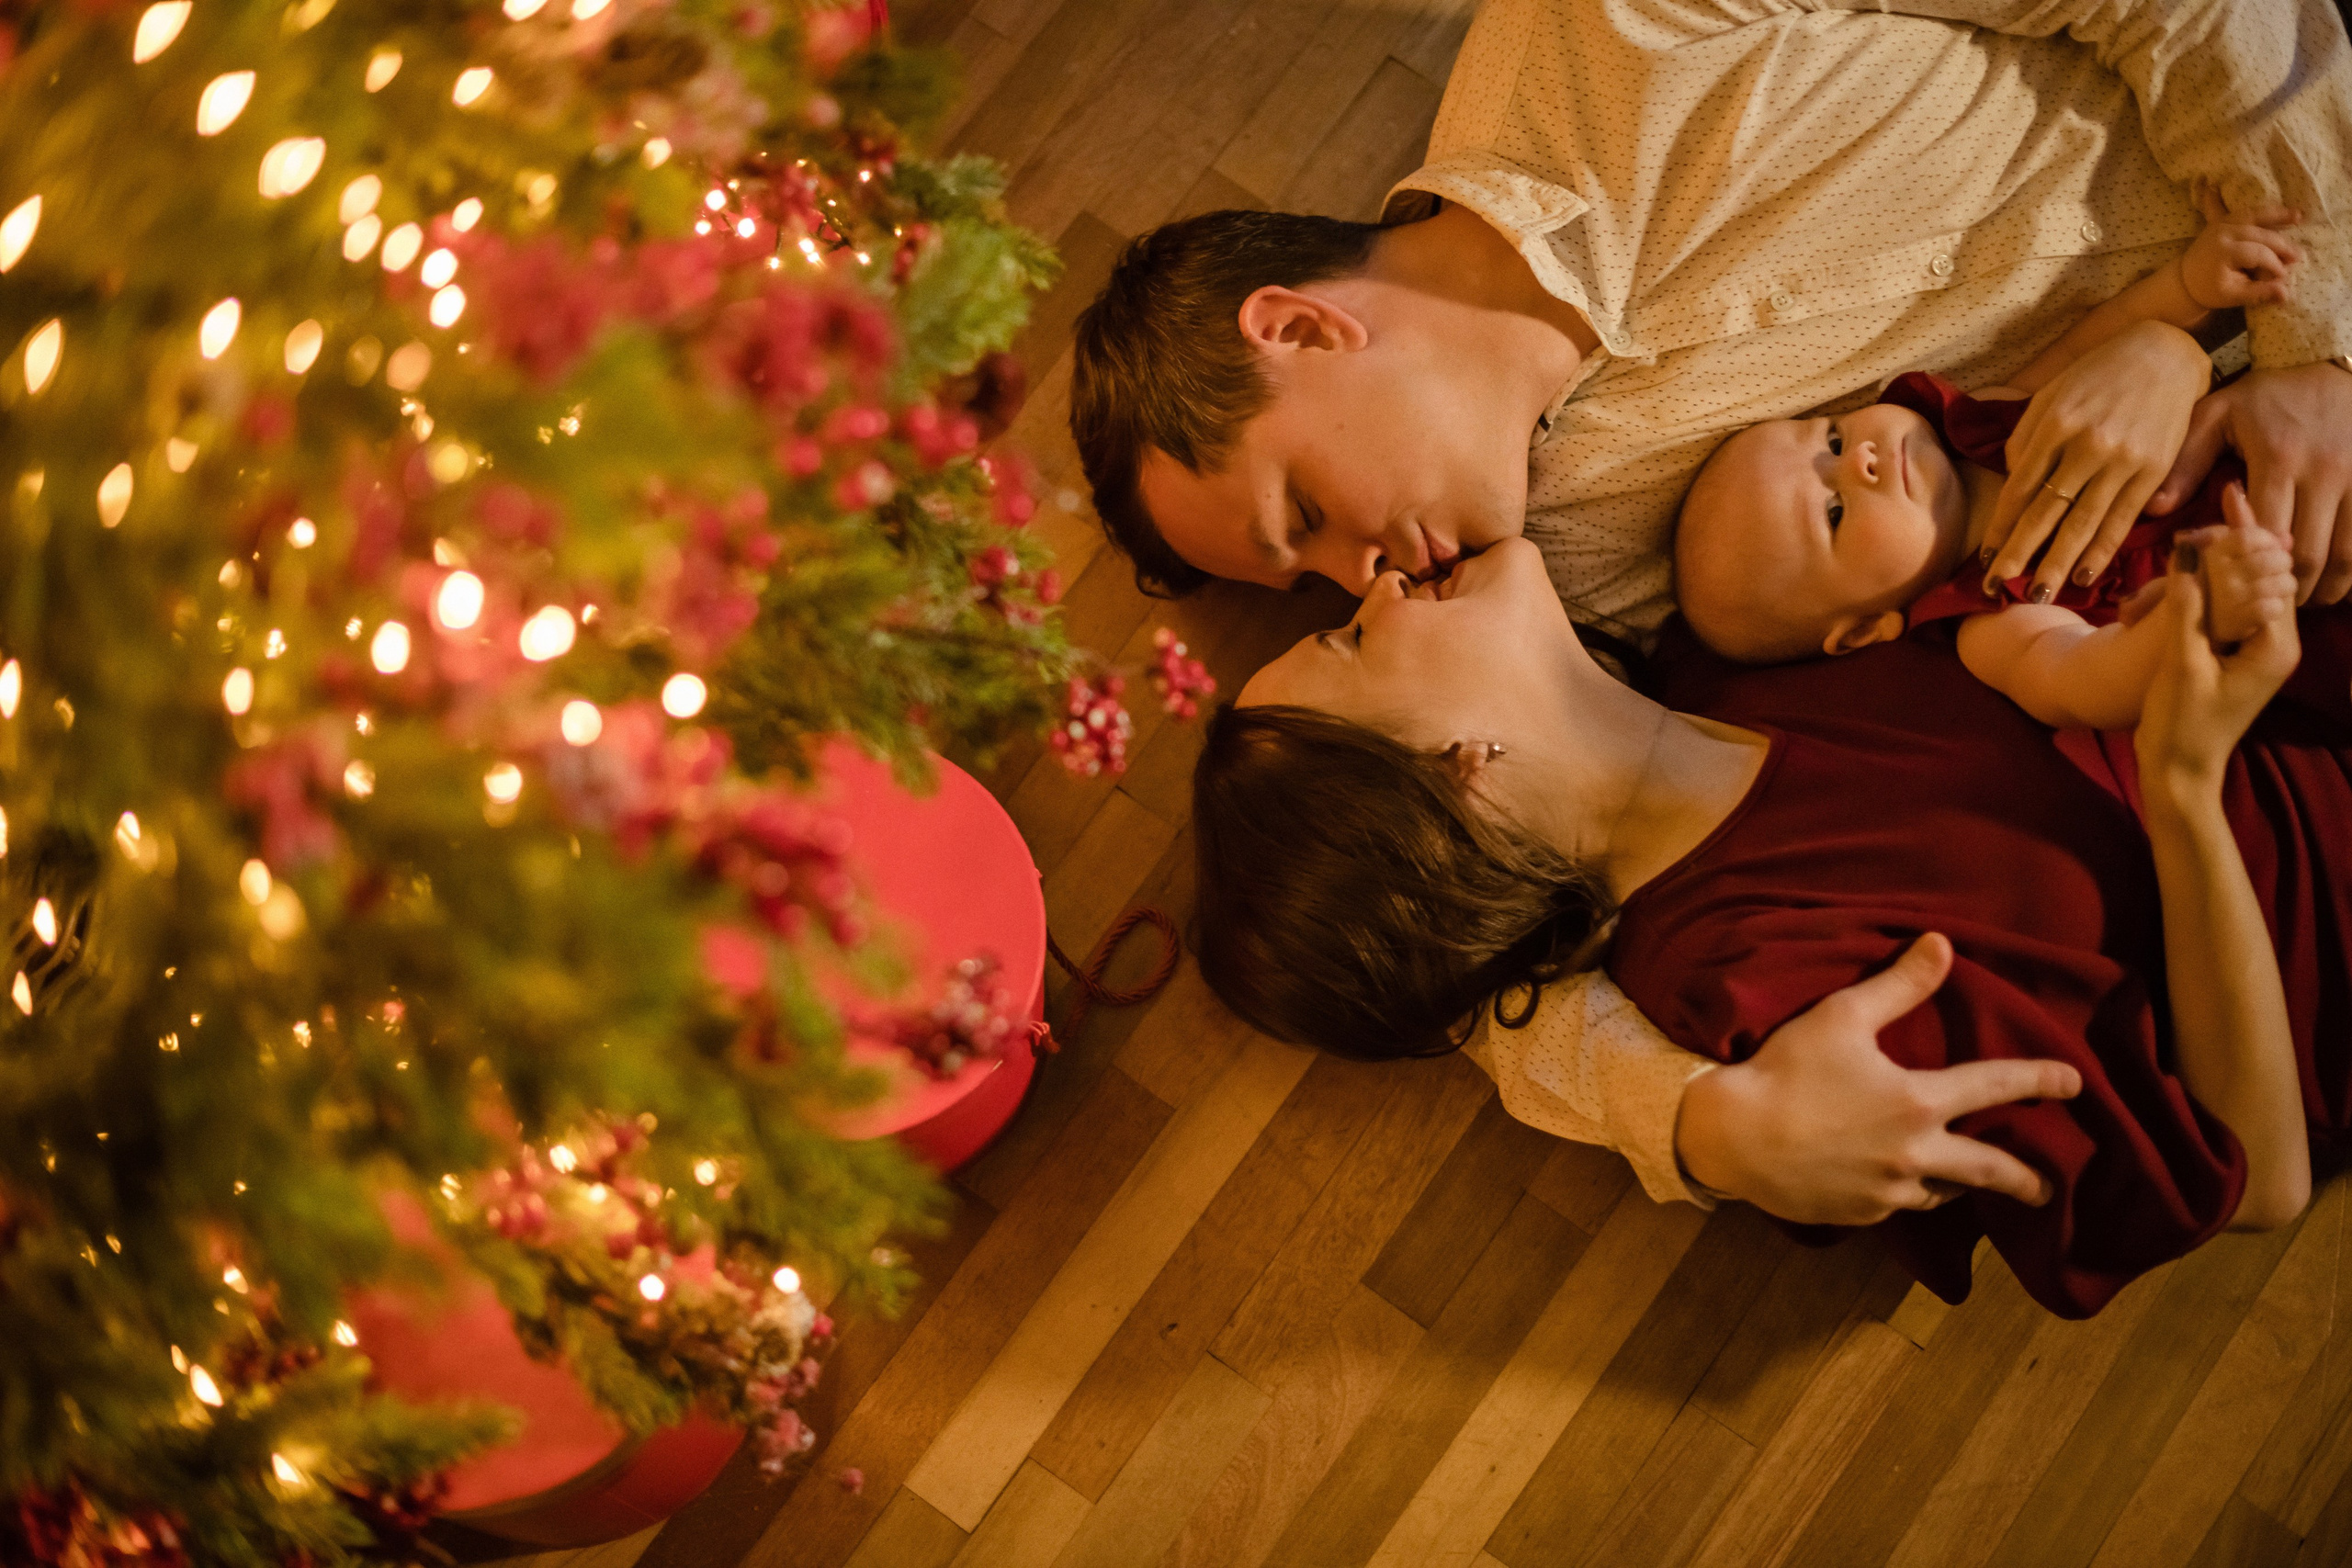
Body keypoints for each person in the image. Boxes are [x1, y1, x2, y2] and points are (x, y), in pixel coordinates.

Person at [1073, 0, 2352, 1222]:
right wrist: (1700, 1124)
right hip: (2254, 559)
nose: (1362, 575)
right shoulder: (1542, 585)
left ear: (1297, 325)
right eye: (1318, 589)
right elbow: (1439, 914)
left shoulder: (1611, 34)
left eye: (1303, 519)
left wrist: (2321, 340)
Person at [1191, 536, 2346, 1316]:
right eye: (1353, 640)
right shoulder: (1768, 993)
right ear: (1460, 783)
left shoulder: (1737, 649)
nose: (1381, 584)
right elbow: (2256, 1186)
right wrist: (2183, 786)